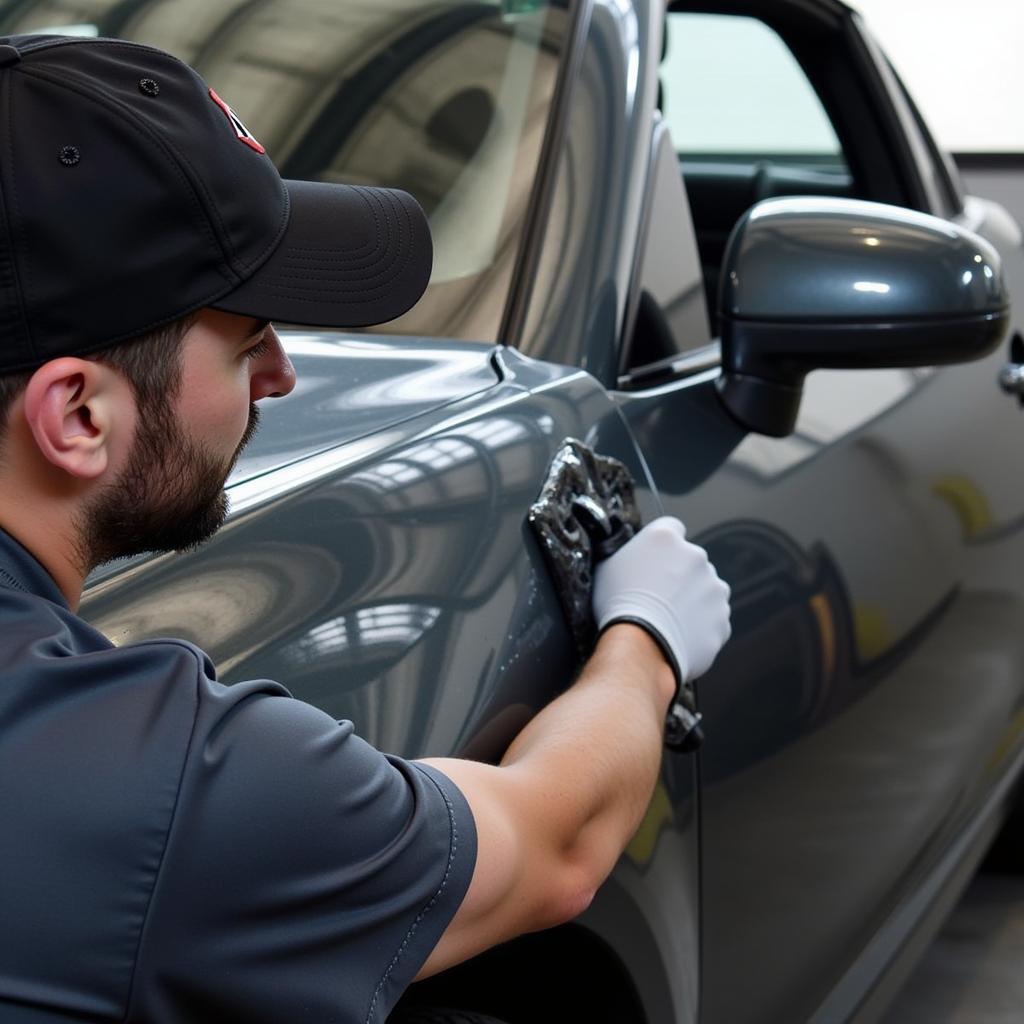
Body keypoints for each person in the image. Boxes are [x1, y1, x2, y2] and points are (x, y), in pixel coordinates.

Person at [0, 34, 731, 1024]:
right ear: (80, 415)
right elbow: (554, 848)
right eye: (250, 337)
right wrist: (645, 639)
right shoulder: (152, 776)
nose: (283, 375)